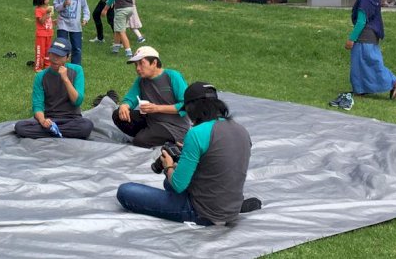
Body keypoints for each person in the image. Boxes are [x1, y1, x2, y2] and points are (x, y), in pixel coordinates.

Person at [116, 83, 261, 225]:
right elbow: (219, 161)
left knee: (126, 191)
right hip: (230, 207)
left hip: (202, 212)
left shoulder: (197, 133)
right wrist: (189, 152)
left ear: (192, 109)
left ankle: (202, 213)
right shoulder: (241, 130)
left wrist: (168, 166)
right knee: (167, 183)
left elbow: (178, 185)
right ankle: (234, 206)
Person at [332, 0, 396, 110]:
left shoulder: (364, 0)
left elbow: (361, 21)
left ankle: (393, 83)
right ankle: (361, 89)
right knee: (366, 63)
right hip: (372, 35)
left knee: (367, 63)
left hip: (364, 36)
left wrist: (351, 39)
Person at [109, 46, 191, 148]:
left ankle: (157, 138)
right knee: (118, 114)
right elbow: (131, 98)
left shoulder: (172, 76)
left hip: (174, 127)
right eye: (136, 65)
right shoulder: (141, 80)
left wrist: (157, 108)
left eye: (141, 63)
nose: (138, 68)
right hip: (151, 119)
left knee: (140, 141)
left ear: (154, 62)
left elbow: (186, 105)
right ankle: (149, 135)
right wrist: (124, 106)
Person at [14, 38, 93, 139]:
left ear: (67, 57)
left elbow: (77, 101)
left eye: (59, 56)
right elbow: (37, 106)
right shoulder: (41, 76)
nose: (55, 59)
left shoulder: (77, 70)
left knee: (86, 126)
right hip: (49, 119)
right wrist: (43, 121)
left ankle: (53, 132)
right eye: (53, 54)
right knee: (20, 127)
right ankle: (55, 131)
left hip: (71, 119)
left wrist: (65, 79)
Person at [54, 0, 90, 65]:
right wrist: (63, 4)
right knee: (61, 46)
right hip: (62, 23)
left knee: (77, 48)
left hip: (75, 25)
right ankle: (61, 65)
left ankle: (75, 67)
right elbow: (56, 7)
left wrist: (86, 18)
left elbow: (85, 6)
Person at [33, 0, 54, 71]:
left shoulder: (47, 9)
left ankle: (47, 65)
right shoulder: (38, 10)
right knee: (40, 51)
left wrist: (55, 22)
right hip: (41, 35)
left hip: (49, 34)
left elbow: (48, 22)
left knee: (48, 51)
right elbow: (41, 21)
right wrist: (47, 13)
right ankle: (38, 67)